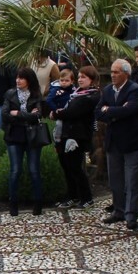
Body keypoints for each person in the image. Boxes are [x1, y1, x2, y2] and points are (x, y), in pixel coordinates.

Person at [97, 58, 138, 225]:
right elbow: (98, 112)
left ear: (126, 73)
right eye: (111, 72)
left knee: (132, 180)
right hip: (113, 141)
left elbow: (130, 110)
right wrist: (117, 111)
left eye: (116, 72)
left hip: (131, 140)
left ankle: (131, 214)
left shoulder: (135, 89)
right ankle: (118, 210)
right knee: (115, 179)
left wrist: (109, 110)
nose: (112, 75)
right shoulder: (107, 90)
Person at [53, 65, 99, 210]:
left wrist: (56, 113)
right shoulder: (75, 94)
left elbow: (72, 112)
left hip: (78, 136)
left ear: (91, 79)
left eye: (84, 77)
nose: (80, 79)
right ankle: (72, 196)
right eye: (79, 77)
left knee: (76, 168)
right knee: (67, 167)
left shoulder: (91, 96)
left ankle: (87, 198)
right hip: (65, 134)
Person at [1, 73, 47, 217]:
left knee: (34, 170)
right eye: (17, 77)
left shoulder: (35, 95)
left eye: (21, 78)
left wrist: (18, 114)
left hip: (32, 137)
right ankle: (13, 203)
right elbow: (5, 115)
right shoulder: (10, 94)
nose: (18, 80)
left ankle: (38, 203)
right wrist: (27, 115)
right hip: (14, 136)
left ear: (29, 80)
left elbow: (37, 115)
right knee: (15, 171)